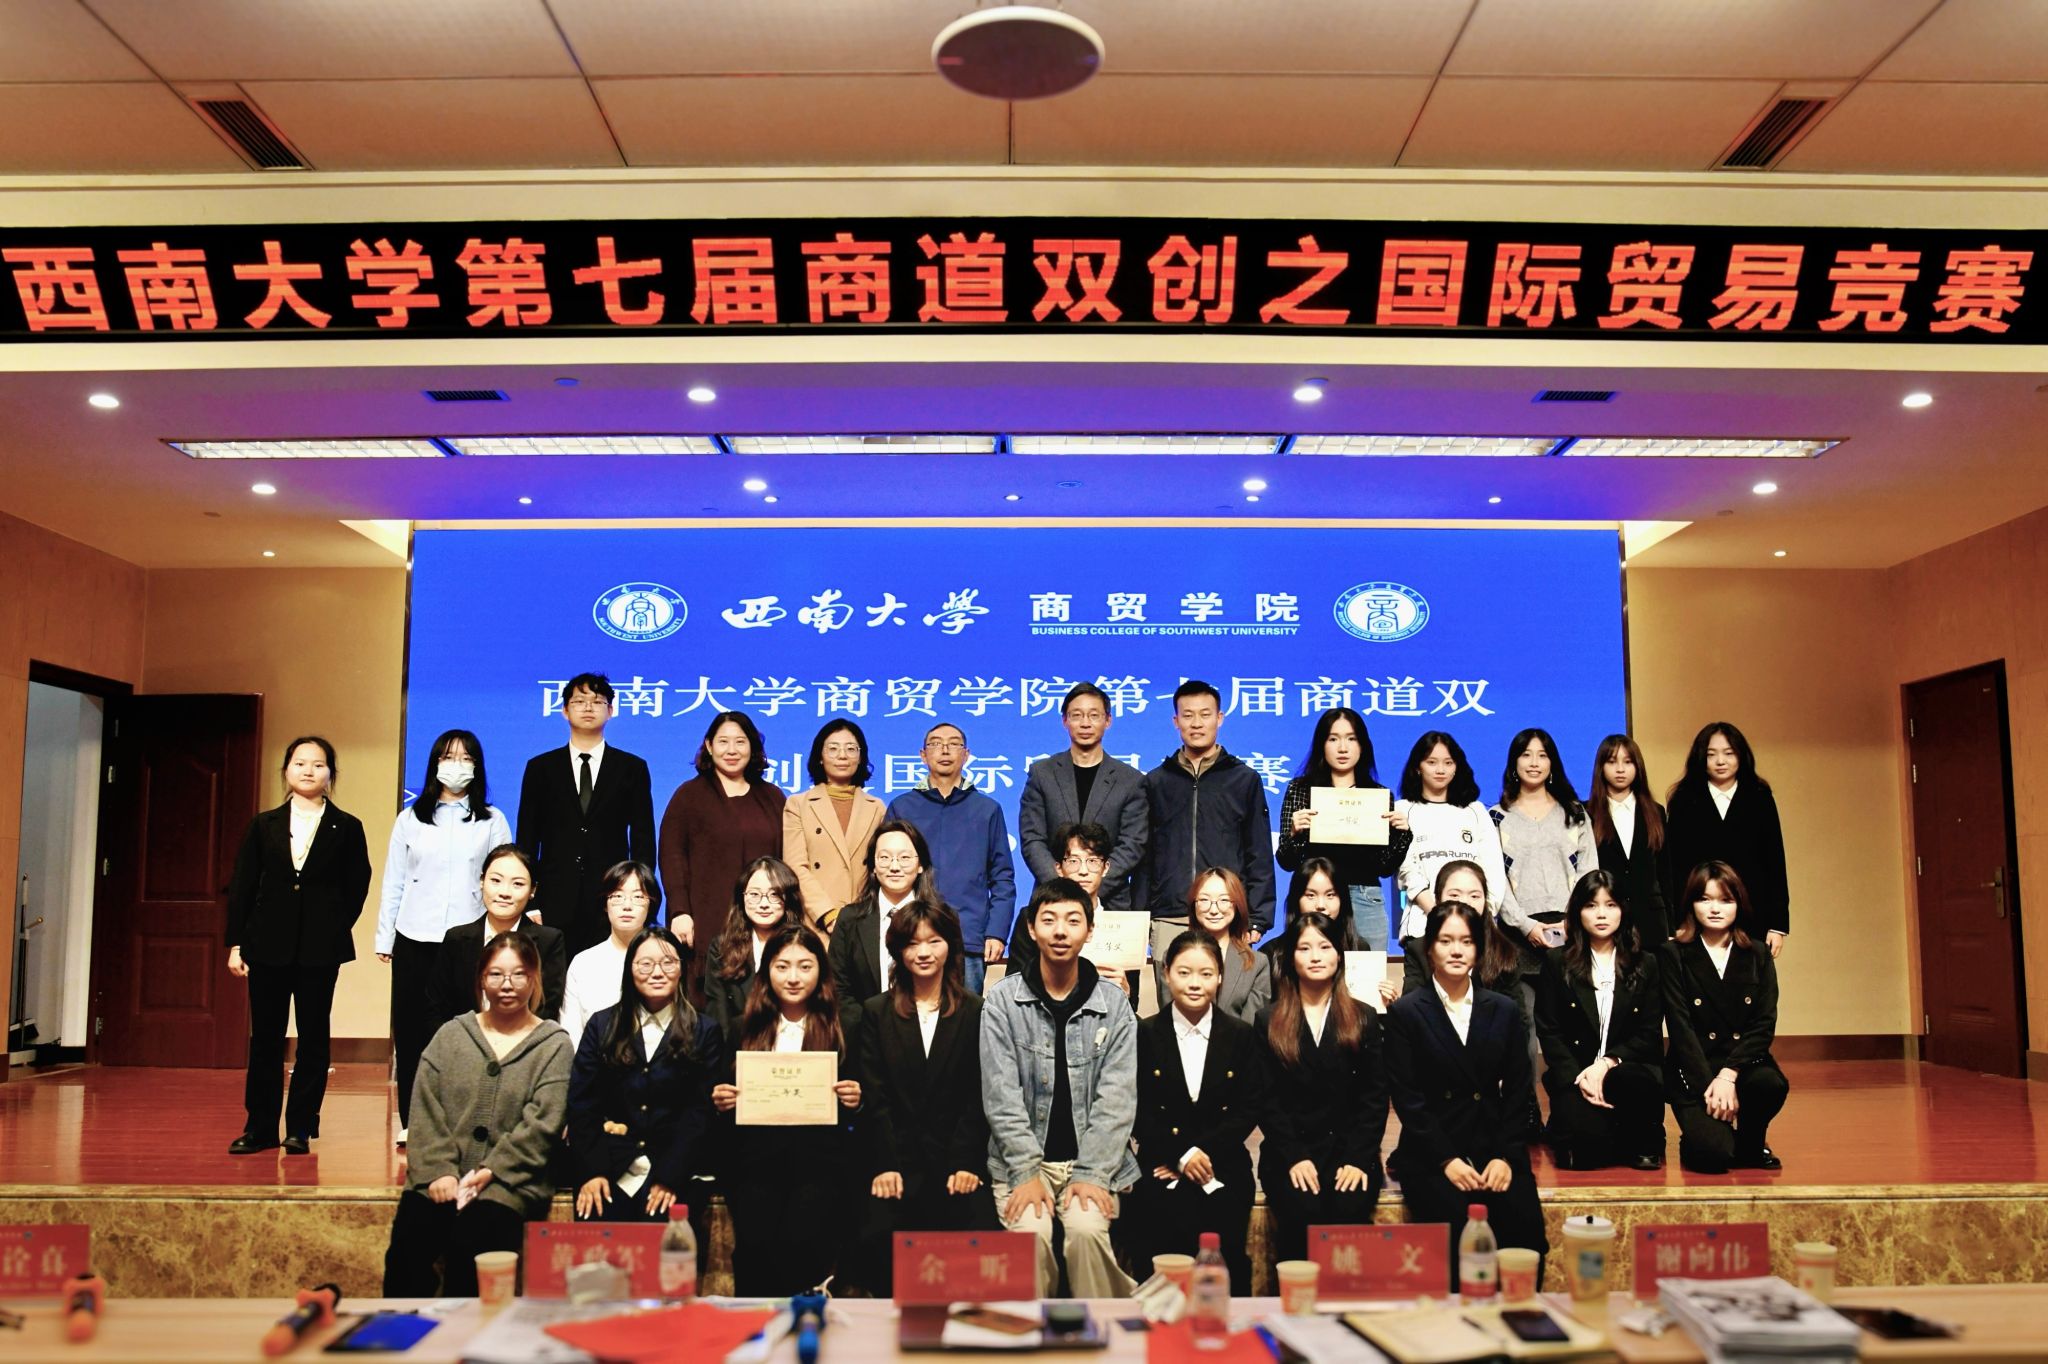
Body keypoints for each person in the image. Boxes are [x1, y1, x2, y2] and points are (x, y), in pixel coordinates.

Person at [382, 932, 572, 1296]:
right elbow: (425, 1108)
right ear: (482, 979)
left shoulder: (553, 1044)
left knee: (472, 1253)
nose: (507, 985)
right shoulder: (451, 1036)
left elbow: (544, 1123)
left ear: (534, 978)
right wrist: (439, 1170)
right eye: (496, 974)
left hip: (509, 1181)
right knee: (407, 1254)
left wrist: (491, 1170)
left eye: (518, 974)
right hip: (441, 1175)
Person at [981, 879, 1140, 1299]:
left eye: (1073, 920)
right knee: (1030, 1235)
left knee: (1086, 1231)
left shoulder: (1114, 1003)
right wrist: (1025, 1172)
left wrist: (1092, 1174)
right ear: (1031, 928)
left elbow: (1118, 1100)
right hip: (1020, 1162)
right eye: (1048, 920)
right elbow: (1000, 1096)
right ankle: (1034, 1331)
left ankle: (1102, 1328)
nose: (1060, 931)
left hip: (1091, 1161)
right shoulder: (1001, 1001)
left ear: (1089, 930)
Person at [1384, 900, 1548, 1291]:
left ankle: (1519, 1321)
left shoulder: (1503, 1009)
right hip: (1432, 1149)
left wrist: (1506, 1156)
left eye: (1467, 941)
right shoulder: (1407, 1012)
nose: (1456, 950)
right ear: (1430, 949)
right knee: (1455, 1232)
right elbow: (1408, 1099)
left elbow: (1518, 1088)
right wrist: (1447, 1160)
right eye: (1446, 941)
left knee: (1525, 1236)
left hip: (1495, 1142)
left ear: (1479, 949)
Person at [225, 735, 372, 1156]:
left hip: (320, 949)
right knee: (266, 1038)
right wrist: (236, 943)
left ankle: (301, 1127)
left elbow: (357, 885)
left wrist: (333, 926)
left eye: (318, 764)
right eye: (300, 763)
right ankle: (260, 1127)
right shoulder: (263, 824)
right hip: (266, 945)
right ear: (287, 770)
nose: (309, 770)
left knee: (313, 1037)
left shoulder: (347, 827)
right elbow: (243, 886)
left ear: (331, 774)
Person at [853, 901, 998, 1296]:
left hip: (957, 1161)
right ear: (898, 951)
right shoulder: (876, 1012)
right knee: (875, 1234)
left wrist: (965, 1162)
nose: (923, 952)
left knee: (981, 1234)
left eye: (934, 941)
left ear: (950, 945)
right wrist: (886, 1165)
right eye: (912, 943)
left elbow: (978, 1094)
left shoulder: (975, 1011)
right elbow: (875, 1097)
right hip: (897, 1162)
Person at [710, 924, 864, 1296]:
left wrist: (857, 1099)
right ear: (767, 971)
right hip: (755, 1174)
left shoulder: (846, 1025)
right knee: (755, 1273)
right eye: (782, 966)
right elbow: (722, 1103)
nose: (793, 977)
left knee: (808, 1272)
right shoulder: (742, 1028)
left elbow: (868, 1098)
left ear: (821, 971)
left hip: (820, 1173)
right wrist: (721, 1100)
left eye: (804, 966)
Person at [376, 730, 511, 1146]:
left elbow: (505, 877)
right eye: (449, 757)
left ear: (477, 766)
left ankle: (468, 1121)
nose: (457, 765)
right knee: (413, 1032)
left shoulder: (492, 819)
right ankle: (414, 1121)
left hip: (469, 939)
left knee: (469, 1031)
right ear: (435, 763)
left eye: (466, 758)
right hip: (414, 935)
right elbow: (394, 880)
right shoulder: (410, 819)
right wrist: (385, 937)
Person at [1128, 931, 1265, 1294]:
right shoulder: (1145, 1033)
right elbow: (1137, 1107)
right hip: (1161, 1162)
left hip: (1224, 1163)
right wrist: (1181, 1155)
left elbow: (1249, 1106)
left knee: (1226, 1260)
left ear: (1219, 977)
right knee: (1158, 1257)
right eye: (1184, 972)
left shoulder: (1240, 1034)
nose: (1194, 983)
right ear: (1166, 973)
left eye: (1206, 973)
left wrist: (1202, 1153)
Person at [568, 926, 725, 1228]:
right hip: (611, 1162)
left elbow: (700, 1112)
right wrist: (593, 1171)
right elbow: (582, 1104)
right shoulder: (602, 1025)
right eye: (645, 964)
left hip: (676, 1165)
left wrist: (670, 1176)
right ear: (630, 969)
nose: (657, 972)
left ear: (681, 969)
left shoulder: (705, 1031)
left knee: (666, 1231)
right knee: (598, 1231)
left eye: (668, 963)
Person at [1256, 912, 1388, 1265]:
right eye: (1304, 948)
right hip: (1290, 1153)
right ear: (1290, 957)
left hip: (1350, 1152)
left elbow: (1374, 1098)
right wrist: (1294, 1157)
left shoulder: (1363, 1017)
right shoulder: (1269, 1019)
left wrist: (1357, 1160)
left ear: (1339, 955)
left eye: (1325, 947)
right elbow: (1267, 1100)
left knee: (1348, 1211)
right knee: (1302, 1212)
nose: (1315, 956)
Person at [1490, 727, 1602, 1108]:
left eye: (1542, 755)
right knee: (1523, 1032)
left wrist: (1572, 922)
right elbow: (1495, 882)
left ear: (1552, 763)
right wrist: (1526, 926)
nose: (1534, 762)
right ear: (1514, 763)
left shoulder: (1575, 814)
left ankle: (1573, 1112)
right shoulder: (1496, 817)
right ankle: (1525, 1115)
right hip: (1517, 936)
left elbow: (1589, 872)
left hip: (1571, 935)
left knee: (1571, 1031)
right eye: (1526, 755)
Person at [1135, 680, 1278, 967]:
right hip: (1169, 916)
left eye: (1205, 714)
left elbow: (1259, 852)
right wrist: (1140, 917)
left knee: (1229, 994)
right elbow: (1144, 858)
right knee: (1172, 994)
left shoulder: (1244, 779)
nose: (1196, 723)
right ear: (1176, 721)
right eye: (1188, 715)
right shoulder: (1156, 782)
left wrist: (1258, 916)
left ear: (1219, 718)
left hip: (1226, 914)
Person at [1534, 871, 1667, 1171]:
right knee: (1583, 1155)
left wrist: (1606, 1063)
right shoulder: (1558, 962)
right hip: (1577, 1073)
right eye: (1591, 905)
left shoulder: (1645, 963)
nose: (1601, 914)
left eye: (1611, 905)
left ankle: (1638, 1133)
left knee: (1633, 1093)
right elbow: (1549, 1030)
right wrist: (1580, 1076)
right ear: (1577, 912)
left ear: (1623, 909)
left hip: (1626, 1070)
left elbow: (1648, 1033)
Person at [518, 673, 657, 956]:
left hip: (610, 897)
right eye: (579, 701)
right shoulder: (540, 768)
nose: (588, 707)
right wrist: (530, 901)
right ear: (564, 710)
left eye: (597, 701)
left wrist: (640, 898)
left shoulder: (631, 768)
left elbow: (643, 839)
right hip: (553, 899)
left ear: (611, 710)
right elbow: (527, 839)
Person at [1663, 862, 1787, 1173]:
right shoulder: (1674, 954)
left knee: (1769, 1084)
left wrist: (1729, 1075)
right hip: (1694, 1069)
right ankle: (1700, 1138)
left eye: (1725, 900)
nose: (1715, 909)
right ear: (1691, 904)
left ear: (1739, 904)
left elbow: (1764, 1024)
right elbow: (1680, 1028)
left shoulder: (1757, 953)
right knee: (1713, 1156)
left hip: (1741, 1065)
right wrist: (1712, 1086)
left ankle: (1751, 1141)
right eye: (1705, 899)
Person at [660, 711, 787, 997]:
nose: (732, 750)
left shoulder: (773, 797)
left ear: (752, 747)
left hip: (764, 922)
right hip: (705, 919)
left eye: (740, 742)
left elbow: (785, 862)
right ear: (709, 745)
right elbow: (671, 857)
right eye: (723, 741)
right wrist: (680, 911)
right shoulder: (688, 796)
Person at [887, 723, 1016, 992]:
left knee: (965, 1015)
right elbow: (887, 872)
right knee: (909, 1013)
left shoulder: (987, 809)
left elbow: (1002, 877)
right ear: (923, 755)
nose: (945, 750)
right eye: (936, 743)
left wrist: (996, 932)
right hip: (913, 933)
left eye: (954, 744)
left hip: (968, 938)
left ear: (966, 754)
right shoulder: (902, 807)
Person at [1276, 707, 1411, 950]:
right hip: (1316, 896)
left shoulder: (1378, 796)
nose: (1342, 748)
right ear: (1321, 744)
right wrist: (1295, 834)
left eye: (1351, 739)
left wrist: (1402, 836)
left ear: (1362, 745)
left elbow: (1384, 868)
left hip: (1365, 898)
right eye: (1333, 739)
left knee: (1365, 971)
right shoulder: (1300, 790)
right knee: (1312, 965)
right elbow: (1287, 861)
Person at [1664, 723, 1791, 957]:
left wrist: (1777, 925)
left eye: (1728, 753)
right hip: (1697, 914)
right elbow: (1674, 865)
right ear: (1701, 758)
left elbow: (1774, 861)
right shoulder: (1684, 799)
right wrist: (1676, 921)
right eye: (1711, 754)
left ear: (1741, 756)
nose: (1720, 761)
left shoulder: (1760, 797)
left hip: (1753, 911)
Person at [1018, 682, 1148, 910]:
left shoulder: (1130, 780)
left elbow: (1132, 844)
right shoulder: (1042, 774)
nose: (1085, 723)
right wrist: (1062, 889)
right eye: (1076, 715)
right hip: (1051, 899)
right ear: (1064, 721)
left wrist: (1094, 886)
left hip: (1111, 902)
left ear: (1108, 720)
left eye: (1094, 715)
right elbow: (1032, 839)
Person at [1394, 731, 1503, 981]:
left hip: (1476, 931)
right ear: (1418, 767)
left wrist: (1476, 918)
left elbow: (1493, 871)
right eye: (1431, 762)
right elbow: (1408, 871)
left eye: (1448, 762)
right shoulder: (1403, 810)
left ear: (1457, 767)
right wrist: (1440, 917)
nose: (1440, 769)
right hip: (1421, 928)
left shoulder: (1475, 811)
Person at [428, 845, 567, 1029]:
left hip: (526, 1043)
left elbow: (546, 1010)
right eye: (495, 880)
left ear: (533, 890)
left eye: (517, 884)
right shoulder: (456, 939)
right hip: (461, 1043)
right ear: (482, 881)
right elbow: (436, 1008)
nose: (504, 892)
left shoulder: (549, 941)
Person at [828, 821, 941, 1032]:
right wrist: (869, 1029)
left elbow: (952, 984)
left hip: (926, 1034)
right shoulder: (849, 919)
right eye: (885, 857)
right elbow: (837, 987)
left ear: (920, 865)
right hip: (863, 1036)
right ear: (873, 865)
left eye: (904, 858)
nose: (894, 866)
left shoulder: (942, 919)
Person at [781, 719, 886, 932]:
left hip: (863, 920)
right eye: (833, 748)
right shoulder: (798, 804)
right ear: (820, 756)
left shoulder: (877, 807)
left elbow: (880, 868)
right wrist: (827, 915)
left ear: (861, 757)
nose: (842, 755)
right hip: (814, 922)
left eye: (851, 749)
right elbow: (795, 867)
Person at [558, 862, 658, 1049]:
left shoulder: (664, 961)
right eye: (618, 896)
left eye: (638, 897)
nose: (627, 906)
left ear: (651, 904)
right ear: (605, 903)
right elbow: (571, 1031)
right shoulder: (583, 963)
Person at [704, 857, 804, 1038]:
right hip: (738, 1047)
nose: (764, 904)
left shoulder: (804, 946)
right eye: (754, 894)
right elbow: (718, 1017)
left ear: (788, 899)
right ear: (741, 898)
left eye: (774, 895)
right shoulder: (721, 948)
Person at [1588, 735, 1670, 939]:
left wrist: (1673, 926)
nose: (1620, 769)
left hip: (1651, 922)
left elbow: (1665, 872)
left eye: (1628, 762)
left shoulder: (1656, 812)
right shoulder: (1587, 813)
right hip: (1606, 921)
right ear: (1601, 767)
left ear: (1637, 766)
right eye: (1612, 762)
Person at [1184, 866, 1271, 1024]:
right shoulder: (1173, 958)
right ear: (1193, 904)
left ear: (1237, 905)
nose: (1214, 910)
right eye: (1204, 900)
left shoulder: (1257, 964)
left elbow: (1251, 1026)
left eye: (1224, 900)